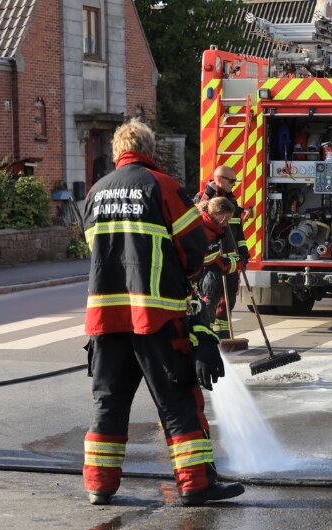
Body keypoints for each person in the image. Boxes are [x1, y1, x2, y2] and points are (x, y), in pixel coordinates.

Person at [82, 119, 244, 506]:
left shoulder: (95, 193)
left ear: (118, 151)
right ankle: (195, 484)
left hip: (105, 321)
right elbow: (193, 250)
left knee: (109, 404)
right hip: (156, 318)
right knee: (177, 404)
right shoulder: (164, 187)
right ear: (149, 150)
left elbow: (96, 251)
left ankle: (99, 486)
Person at [194, 166, 249, 339]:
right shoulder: (203, 198)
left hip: (230, 260)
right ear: (218, 179)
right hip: (212, 261)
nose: (234, 184)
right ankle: (206, 334)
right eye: (231, 181)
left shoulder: (232, 202)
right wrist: (210, 193)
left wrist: (243, 251)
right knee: (211, 296)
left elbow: (237, 231)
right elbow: (197, 214)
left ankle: (223, 333)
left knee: (229, 298)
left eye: (235, 181)